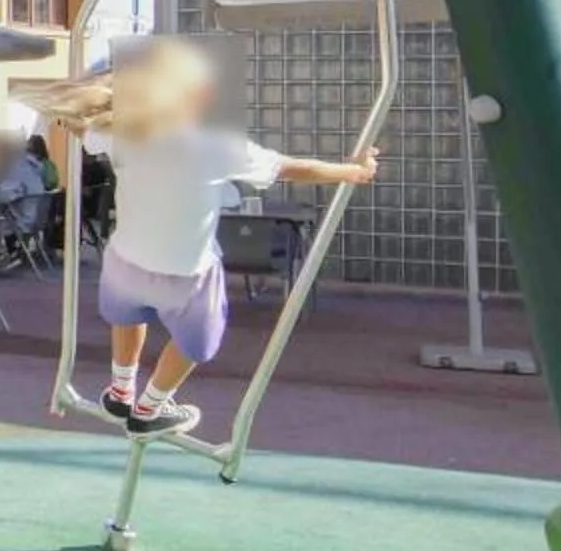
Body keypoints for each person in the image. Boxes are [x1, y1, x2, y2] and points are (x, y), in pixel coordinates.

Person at [35, 39, 379, 437]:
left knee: (129, 313)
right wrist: (352, 172)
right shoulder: (217, 147)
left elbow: (79, 124)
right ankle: (149, 407)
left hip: (126, 262)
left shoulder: (126, 133)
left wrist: (75, 105)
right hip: (186, 272)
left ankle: (121, 388)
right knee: (198, 340)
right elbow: (291, 168)